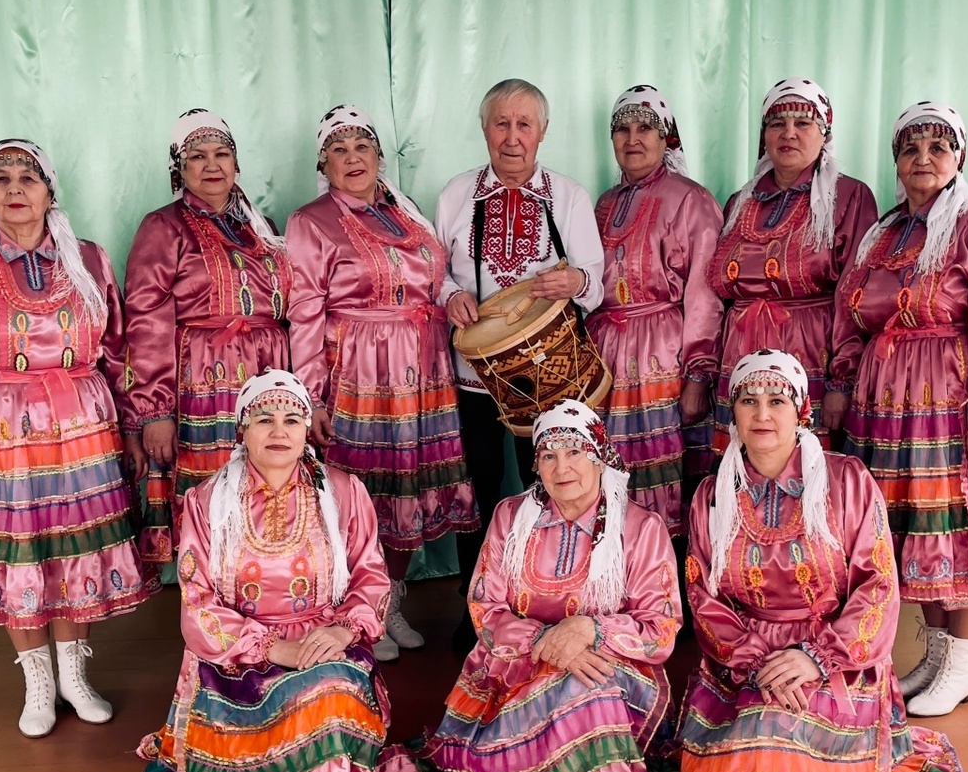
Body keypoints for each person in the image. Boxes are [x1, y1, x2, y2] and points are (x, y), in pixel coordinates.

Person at [650, 350, 968, 772]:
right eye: (749, 401)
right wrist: (758, 662)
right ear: (732, 413)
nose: (763, 414)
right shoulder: (713, 496)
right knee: (756, 740)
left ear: (801, 410)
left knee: (785, 745)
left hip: (836, 655)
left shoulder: (846, 480)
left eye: (777, 400)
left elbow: (878, 584)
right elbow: (702, 592)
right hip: (746, 658)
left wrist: (815, 657)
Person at [0, 138, 152, 737]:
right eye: (1, 178)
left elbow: (118, 350)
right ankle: (37, 682)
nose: (15, 188)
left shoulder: (88, 259)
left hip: (81, 426)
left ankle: (74, 675)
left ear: (50, 191)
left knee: (73, 547)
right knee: (21, 550)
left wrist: (133, 426)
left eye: (28, 177)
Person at [825, 103, 968, 716]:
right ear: (896, 161)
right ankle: (933, 656)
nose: (922, 158)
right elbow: (851, 311)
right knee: (916, 530)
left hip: (952, 399)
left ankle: (960, 665)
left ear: (960, 157)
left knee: (959, 523)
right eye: (910, 148)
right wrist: (842, 381)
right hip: (889, 404)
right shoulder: (886, 232)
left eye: (937, 147)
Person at [373, 400, 682, 772]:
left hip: (609, 664)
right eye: (548, 456)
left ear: (600, 457)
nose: (562, 468)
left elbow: (661, 628)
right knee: (560, 687)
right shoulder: (511, 517)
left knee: (582, 688)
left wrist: (591, 631)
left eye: (574, 452)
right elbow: (486, 608)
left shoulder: (640, 527)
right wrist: (547, 640)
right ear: (535, 465)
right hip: (516, 662)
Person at [135, 370, 392, 772]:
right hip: (238, 651)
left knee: (328, 689)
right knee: (260, 710)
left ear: (306, 430)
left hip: (323, 638)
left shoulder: (343, 492)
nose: (279, 432)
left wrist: (342, 632)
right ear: (242, 430)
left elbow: (371, 576)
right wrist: (273, 648)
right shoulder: (207, 501)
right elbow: (197, 599)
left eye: (292, 420)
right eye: (264, 420)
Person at [286, 105, 478, 658]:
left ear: (379, 157)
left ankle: (388, 601)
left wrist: (451, 298)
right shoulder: (311, 221)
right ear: (323, 163)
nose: (353, 158)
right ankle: (354, 614)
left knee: (405, 491)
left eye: (362, 147)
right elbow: (305, 312)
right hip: (360, 373)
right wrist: (310, 396)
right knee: (361, 494)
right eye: (339, 149)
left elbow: (436, 280)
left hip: (421, 372)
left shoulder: (405, 210)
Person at [438, 78, 605, 651]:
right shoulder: (457, 194)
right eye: (501, 124)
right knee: (478, 495)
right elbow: (436, 272)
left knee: (556, 490)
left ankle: (555, 607)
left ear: (543, 132)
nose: (512, 138)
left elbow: (595, 280)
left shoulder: (568, 196)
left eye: (524, 125)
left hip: (550, 382)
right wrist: (450, 296)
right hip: (476, 380)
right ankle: (476, 615)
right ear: (484, 129)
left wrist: (575, 280)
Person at [123, 109, 292, 564]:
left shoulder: (262, 225)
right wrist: (155, 411)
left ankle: (264, 592)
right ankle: (208, 601)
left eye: (222, 154)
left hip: (266, 375)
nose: (212, 165)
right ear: (179, 169)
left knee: (268, 486)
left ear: (237, 163)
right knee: (213, 497)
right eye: (197, 156)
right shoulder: (164, 226)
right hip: (203, 380)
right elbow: (146, 318)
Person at [708, 78, 877, 450]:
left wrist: (842, 381)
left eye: (802, 123)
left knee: (806, 460)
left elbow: (854, 293)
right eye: (777, 124)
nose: (789, 133)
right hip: (740, 352)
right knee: (744, 459)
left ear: (824, 134)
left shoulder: (848, 196)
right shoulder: (741, 201)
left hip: (811, 351)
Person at [590, 84, 724, 544]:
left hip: (663, 356)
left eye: (645, 128)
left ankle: (670, 579)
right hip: (607, 355)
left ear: (666, 138)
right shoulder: (605, 203)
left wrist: (698, 373)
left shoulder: (691, 199)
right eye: (622, 129)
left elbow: (705, 292)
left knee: (668, 477)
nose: (633, 139)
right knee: (609, 472)